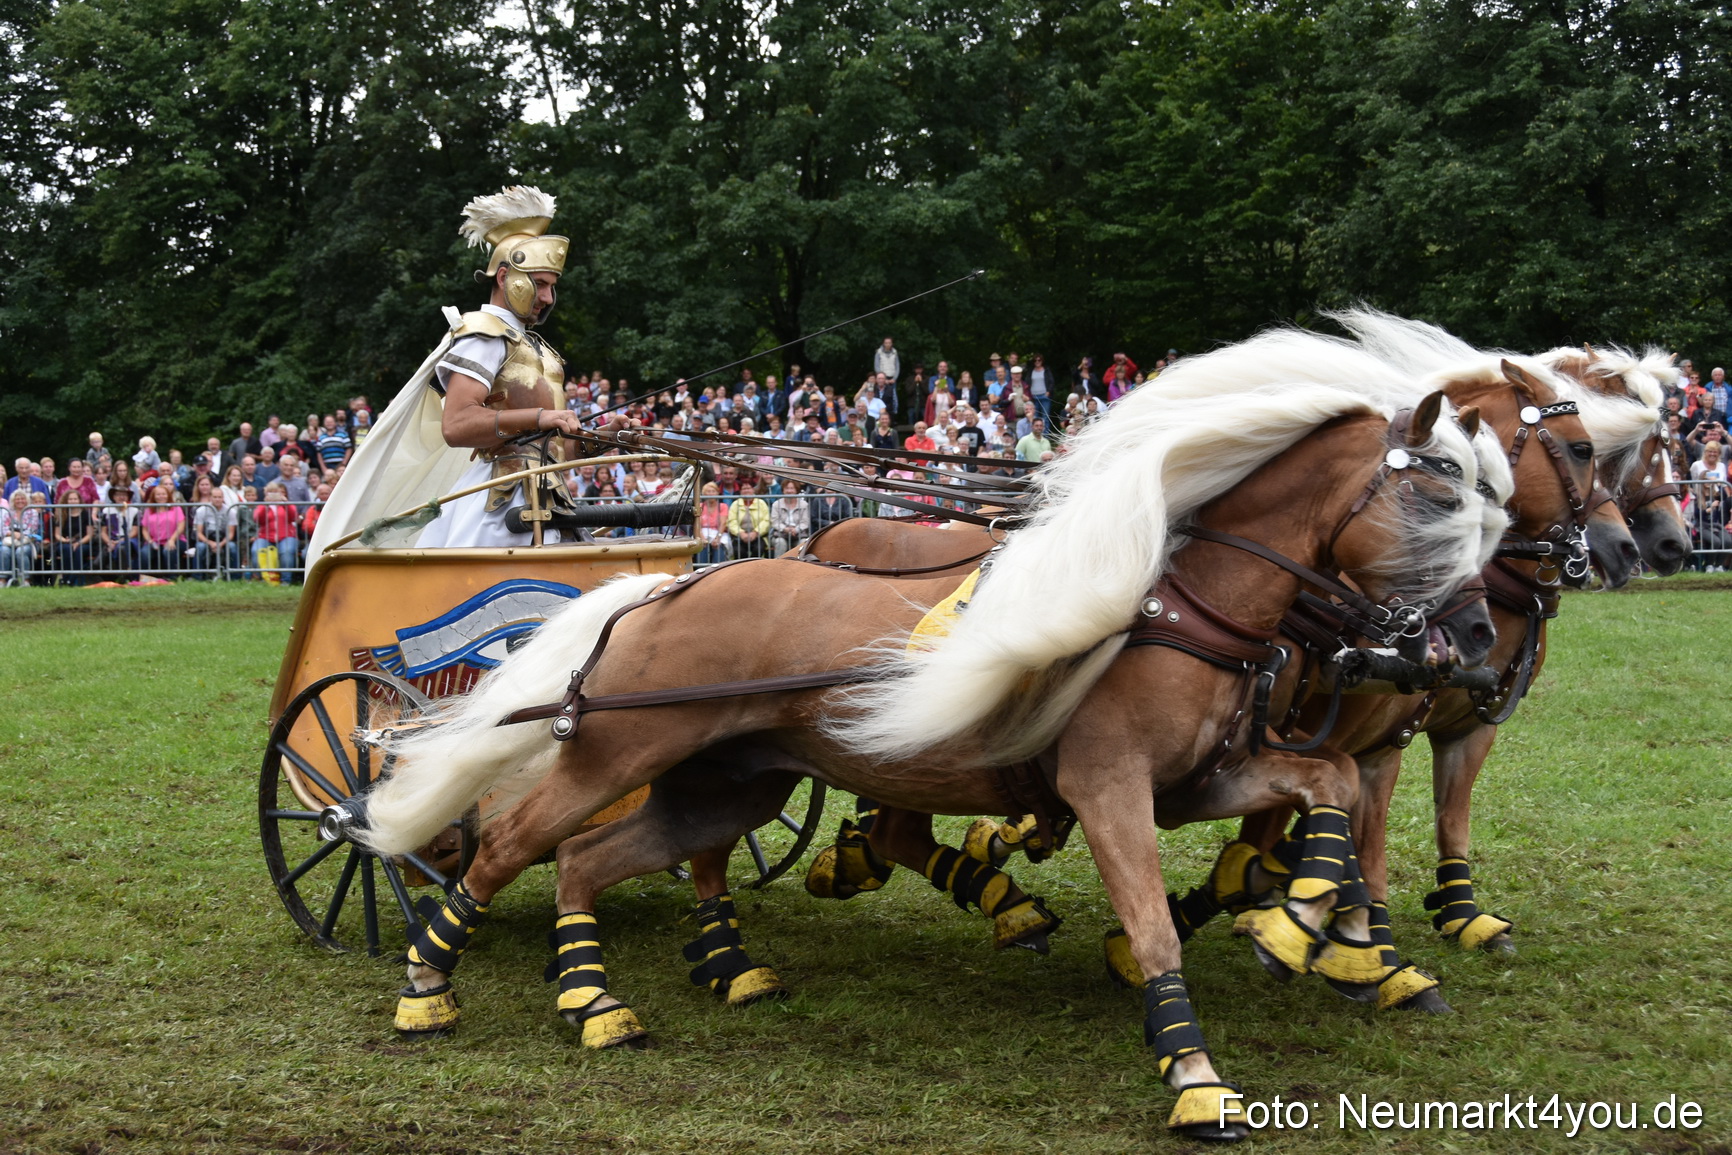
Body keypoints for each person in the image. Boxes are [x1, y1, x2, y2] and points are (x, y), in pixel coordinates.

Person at [394, 186, 583, 549]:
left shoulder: (535, 346)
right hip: (500, 506)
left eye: (551, 286)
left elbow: (554, 449)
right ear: (504, 278)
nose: (546, 297)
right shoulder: (484, 333)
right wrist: (541, 416)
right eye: (539, 284)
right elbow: (458, 425)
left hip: (546, 496)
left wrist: (604, 437)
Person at [252, 480, 301, 582]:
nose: (273, 495)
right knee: (256, 550)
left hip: (286, 535)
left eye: (275, 492)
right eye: (270, 492)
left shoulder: (285, 505)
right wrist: (266, 505)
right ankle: (263, 578)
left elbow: (294, 516)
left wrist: (285, 503)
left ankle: (286, 580)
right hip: (265, 536)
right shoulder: (262, 506)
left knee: (286, 552)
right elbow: (257, 519)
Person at [137, 484, 187, 577]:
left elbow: (181, 526)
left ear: (168, 495)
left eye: (164, 494)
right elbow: (144, 529)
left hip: (175, 540)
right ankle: (144, 578)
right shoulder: (149, 510)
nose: (161, 497)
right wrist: (149, 541)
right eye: (158, 494)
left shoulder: (176, 508)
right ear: (154, 497)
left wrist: (172, 540)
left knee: (168, 550)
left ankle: (172, 578)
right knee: (144, 552)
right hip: (155, 541)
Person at [53, 489, 97, 584]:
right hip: (65, 542)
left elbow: (89, 534)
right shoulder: (62, 514)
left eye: (75, 499)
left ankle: (71, 580)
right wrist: (64, 540)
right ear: (66, 501)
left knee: (78, 551)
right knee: (66, 549)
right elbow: (57, 534)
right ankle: (66, 578)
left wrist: (78, 543)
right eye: (70, 499)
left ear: (79, 500)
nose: (73, 501)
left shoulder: (85, 514)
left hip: (83, 542)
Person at [1, 489, 43, 586]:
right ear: (13, 501)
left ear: (27, 500)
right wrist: (13, 534)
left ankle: (26, 580)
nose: (20, 501)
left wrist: (21, 535)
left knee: (21, 551)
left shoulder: (32, 512)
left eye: (22, 499)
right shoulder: (8, 512)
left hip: (28, 542)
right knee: (4, 550)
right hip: (10, 541)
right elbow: (3, 529)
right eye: (17, 499)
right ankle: (3, 579)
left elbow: (33, 529)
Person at [97, 486, 140, 580]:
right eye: (118, 495)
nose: (121, 497)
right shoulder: (106, 510)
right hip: (111, 540)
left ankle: (124, 578)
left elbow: (134, 531)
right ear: (113, 497)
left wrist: (121, 540)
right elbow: (103, 532)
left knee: (122, 549)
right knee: (97, 563)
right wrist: (109, 542)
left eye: (124, 495)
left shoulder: (134, 511)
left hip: (128, 540)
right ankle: (111, 579)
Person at [727, 482, 770, 558]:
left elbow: (766, 521)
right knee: (739, 551)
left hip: (758, 536)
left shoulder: (761, 503)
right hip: (740, 536)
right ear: (740, 491)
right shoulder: (735, 504)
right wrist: (741, 533)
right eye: (744, 489)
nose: (746, 491)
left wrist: (756, 532)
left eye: (748, 488)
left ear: (753, 490)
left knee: (758, 549)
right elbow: (731, 521)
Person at [770, 477, 812, 557]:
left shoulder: (803, 504)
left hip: (799, 534)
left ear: (796, 490)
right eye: (787, 488)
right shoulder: (776, 504)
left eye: (792, 488)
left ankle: (800, 566)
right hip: (781, 534)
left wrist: (796, 529)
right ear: (783, 490)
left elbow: (805, 522)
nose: (789, 491)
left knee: (803, 542)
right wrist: (785, 529)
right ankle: (778, 565)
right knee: (780, 542)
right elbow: (775, 521)